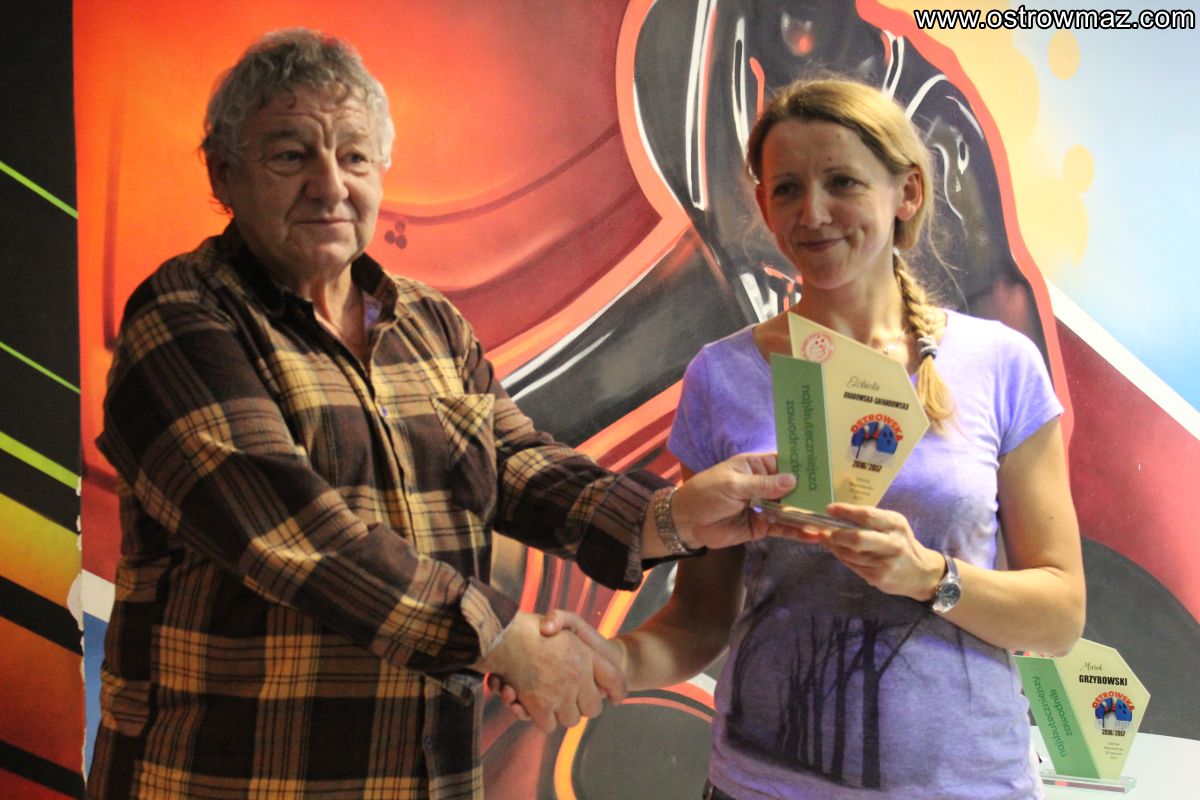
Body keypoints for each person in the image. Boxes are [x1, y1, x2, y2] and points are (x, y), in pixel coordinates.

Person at [85, 29, 800, 800]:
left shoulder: (426, 321)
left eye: (354, 157)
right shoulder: (185, 318)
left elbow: (518, 468)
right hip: (234, 779)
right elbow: (296, 537)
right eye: (291, 156)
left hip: (424, 775)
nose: (330, 185)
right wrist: (504, 640)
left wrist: (673, 517)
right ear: (224, 173)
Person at [503, 78, 1086, 799]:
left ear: (906, 192)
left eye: (842, 182)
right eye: (787, 189)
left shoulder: (1001, 364)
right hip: (761, 786)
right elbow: (700, 619)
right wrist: (610, 661)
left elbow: (1060, 615)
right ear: (764, 206)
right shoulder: (723, 375)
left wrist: (928, 576)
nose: (813, 213)